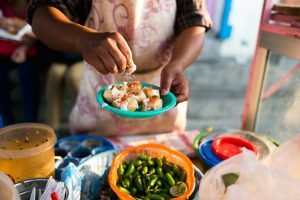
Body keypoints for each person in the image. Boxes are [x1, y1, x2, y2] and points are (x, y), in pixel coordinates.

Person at [27, 0, 212, 136]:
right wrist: (82, 38)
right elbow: (42, 13)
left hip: (164, 92)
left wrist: (178, 63)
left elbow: (194, 22)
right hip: (100, 97)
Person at [0, 0, 40, 125]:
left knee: (27, 74)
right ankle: (6, 123)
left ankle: (30, 123)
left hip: (30, 49)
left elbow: (41, 31)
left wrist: (24, 47)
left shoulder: (35, 5)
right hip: (4, 51)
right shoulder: (3, 4)